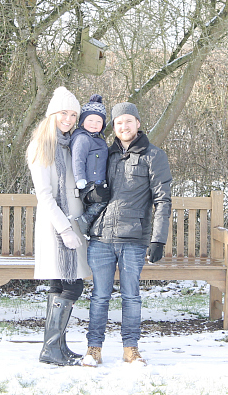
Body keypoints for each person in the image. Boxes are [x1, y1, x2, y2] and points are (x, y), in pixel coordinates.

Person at [82, 102, 172, 366]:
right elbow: (84, 187)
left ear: (138, 124)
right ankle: (94, 348)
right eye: (119, 122)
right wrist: (92, 195)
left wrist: (158, 239)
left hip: (133, 238)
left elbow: (162, 200)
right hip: (101, 237)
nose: (124, 126)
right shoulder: (103, 153)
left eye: (128, 121)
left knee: (131, 296)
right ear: (114, 127)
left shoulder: (153, 156)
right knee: (99, 296)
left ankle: (130, 348)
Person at [26, 86, 91, 366]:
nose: (68, 119)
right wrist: (64, 230)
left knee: (60, 284)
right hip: (57, 226)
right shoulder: (42, 145)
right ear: (52, 113)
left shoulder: (69, 144)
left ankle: (56, 347)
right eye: (64, 113)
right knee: (72, 285)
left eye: (73, 114)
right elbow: (45, 195)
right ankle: (51, 348)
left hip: (72, 224)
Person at [70, 94, 109, 237]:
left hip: (99, 182)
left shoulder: (99, 140)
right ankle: (84, 221)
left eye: (98, 121)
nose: (94, 124)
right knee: (102, 201)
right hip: (88, 183)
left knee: (104, 202)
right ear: (82, 122)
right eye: (90, 120)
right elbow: (78, 159)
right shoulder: (82, 138)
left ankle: (90, 228)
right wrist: (80, 178)